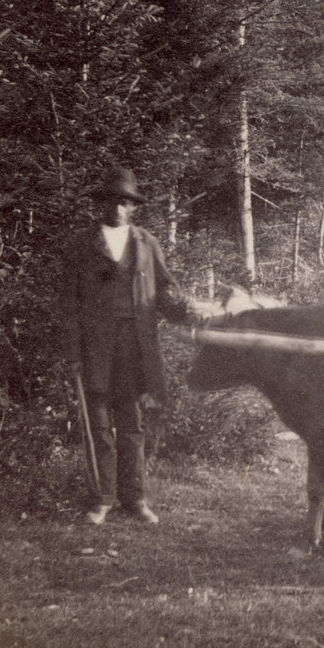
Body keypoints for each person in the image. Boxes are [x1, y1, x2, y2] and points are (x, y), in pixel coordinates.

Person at [61, 167, 198, 525]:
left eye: (124, 202)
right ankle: (102, 499)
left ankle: (134, 498)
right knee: (99, 424)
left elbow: (165, 291)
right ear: (101, 204)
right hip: (96, 348)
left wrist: (189, 312)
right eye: (111, 201)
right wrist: (73, 354)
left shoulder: (146, 243)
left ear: (132, 207)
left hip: (135, 348)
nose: (117, 208)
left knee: (132, 424)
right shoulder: (81, 245)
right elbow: (67, 305)